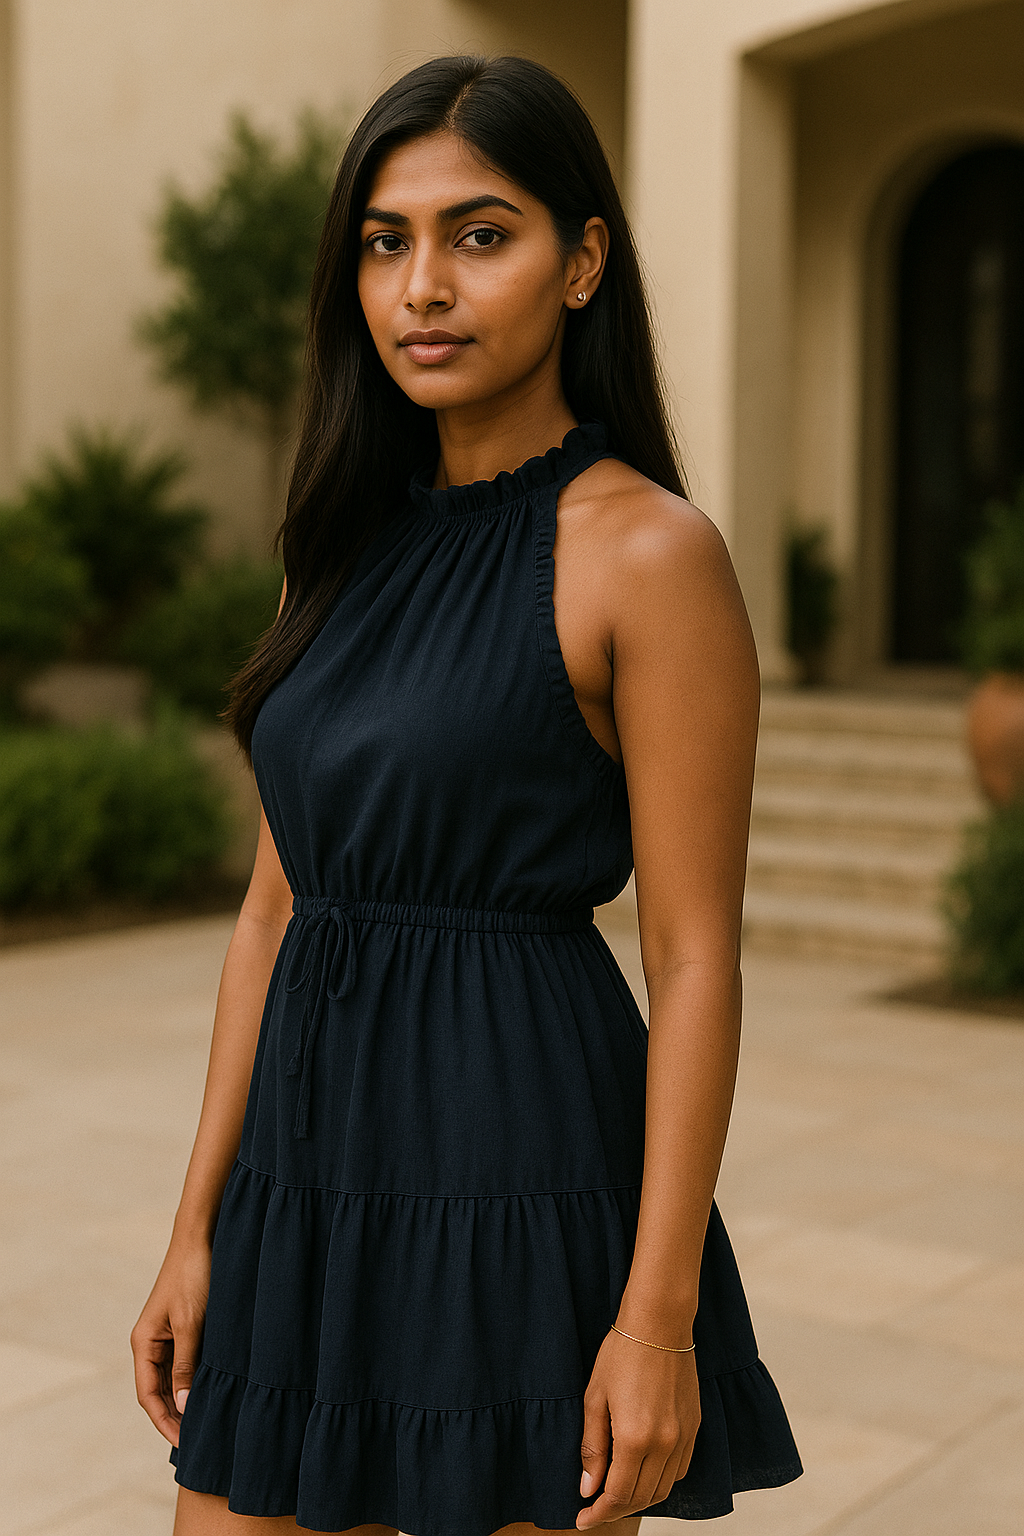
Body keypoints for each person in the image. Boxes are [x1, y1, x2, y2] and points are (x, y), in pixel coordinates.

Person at [131, 53, 802, 1536]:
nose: (422, 284)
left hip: (515, 1182)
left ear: (583, 264)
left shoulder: (648, 553)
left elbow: (695, 956)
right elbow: (272, 909)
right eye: (387, 241)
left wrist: (657, 1317)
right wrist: (199, 1229)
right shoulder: (334, 543)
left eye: (478, 235)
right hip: (307, 1186)